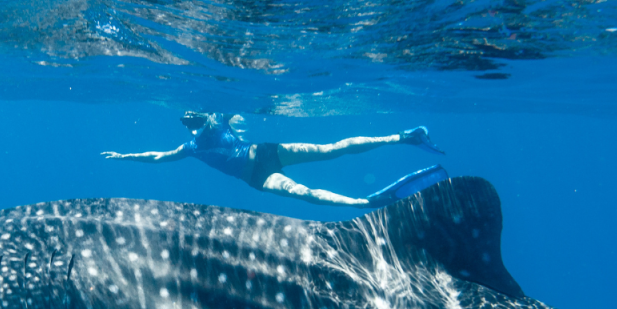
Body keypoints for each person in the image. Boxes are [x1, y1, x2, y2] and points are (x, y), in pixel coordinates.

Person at [101, 112, 448, 208]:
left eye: (196, 116)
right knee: (307, 194)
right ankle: (366, 202)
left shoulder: (219, 118)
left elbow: (233, 96)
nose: (194, 121)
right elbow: (157, 157)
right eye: (190, 120)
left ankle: (404, 136)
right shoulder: (191, 147)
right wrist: (124, 156)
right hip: (258, 177)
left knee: (332, 148)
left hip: (265, 152)